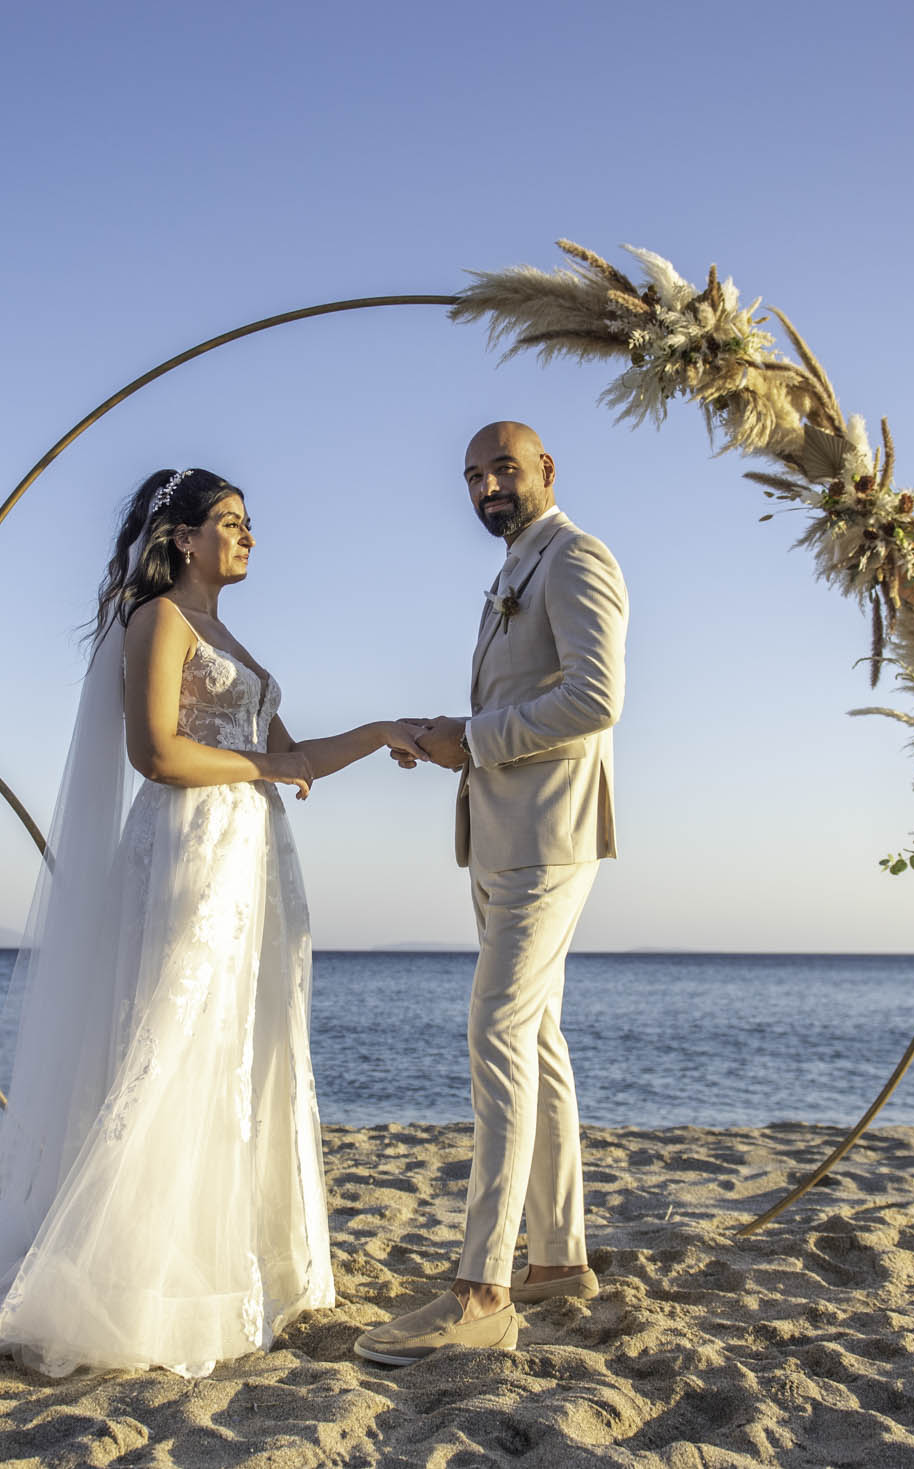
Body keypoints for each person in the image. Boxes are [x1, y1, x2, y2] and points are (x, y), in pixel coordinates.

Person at [0, 467, 424, 1376]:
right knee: (172, 1042)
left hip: (255, 860)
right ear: (179, 538)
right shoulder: (158, 621)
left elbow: (289, 759)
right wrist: (262, 768)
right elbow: (158, 753)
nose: (249, 537)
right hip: (187, 854)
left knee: (247, 1043)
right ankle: (142, 1266)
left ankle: (241, 1258)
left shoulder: (229, 635)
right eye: (230, 522)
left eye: (250, 523)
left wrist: (379, 731)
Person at [357, 421, 629, 1366]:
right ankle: (557, 1258)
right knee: (537, 1038)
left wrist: (471, 739)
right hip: (500, 835)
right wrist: (449, 734)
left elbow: (596, 700)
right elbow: (514, 701)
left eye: (502, 469)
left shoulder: (576, 557)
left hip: (549, 837)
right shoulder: (514, 568)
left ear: (546, 470)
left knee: (498, 1033)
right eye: (473, 476)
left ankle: (482, 1291)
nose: (486, 488)